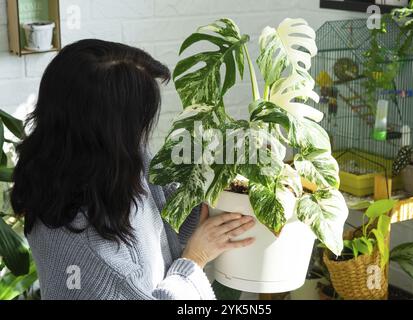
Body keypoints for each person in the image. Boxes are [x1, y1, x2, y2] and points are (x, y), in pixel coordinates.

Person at [11, 39, 255, 300]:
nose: (142, 132)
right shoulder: (96, 255)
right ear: (109, 132)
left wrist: (211, 196)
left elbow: (158, 209)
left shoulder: (89, 160)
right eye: (137, 121)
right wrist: (195, 258)